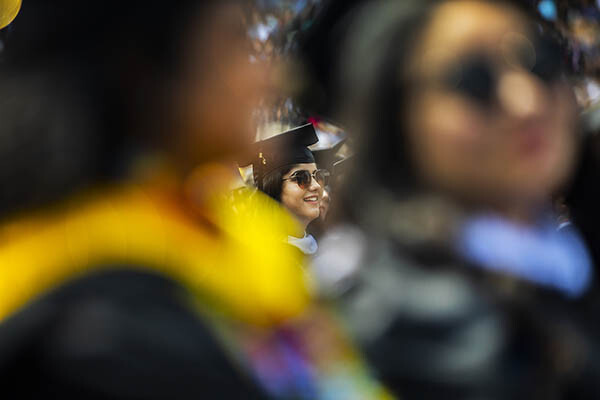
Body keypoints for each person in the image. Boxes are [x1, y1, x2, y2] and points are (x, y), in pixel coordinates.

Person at [0, 1, 312, 398]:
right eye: (237, 42)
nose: (276, 77)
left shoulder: (237, 233)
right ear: (146, 71)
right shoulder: (89, 317)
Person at [300, 0, 599, 398]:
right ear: (395, 118)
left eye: (540, 61)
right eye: (472, 81)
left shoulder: (567, 264)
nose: (527, 101)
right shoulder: (402, 335)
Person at [240, 123, 329, 255]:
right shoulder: (265, 256)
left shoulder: (321, 247)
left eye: (317, 175)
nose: (316, 185)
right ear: (274, 187)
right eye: (301, 178)